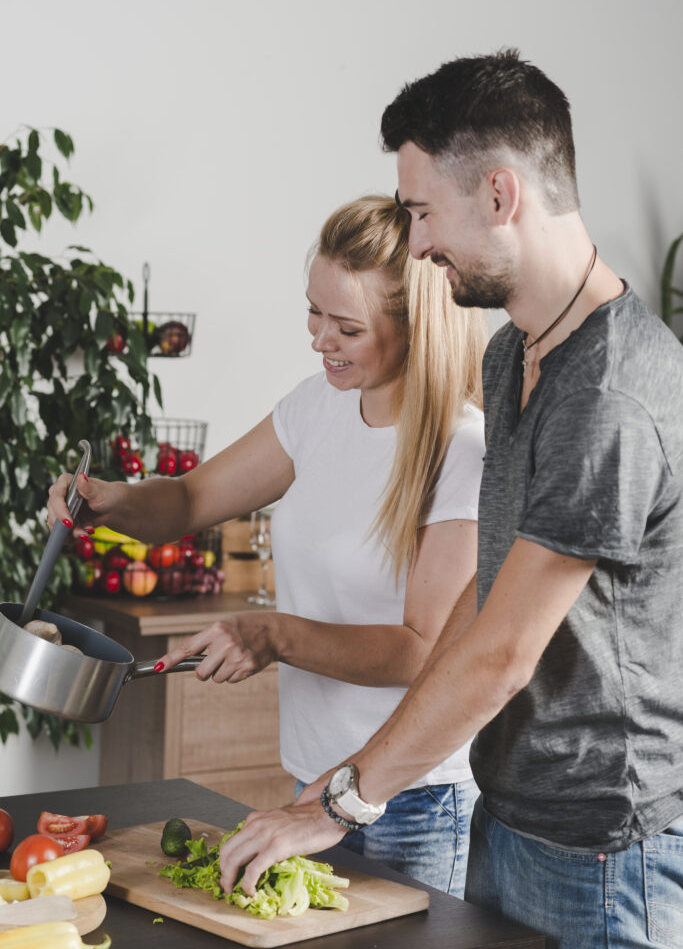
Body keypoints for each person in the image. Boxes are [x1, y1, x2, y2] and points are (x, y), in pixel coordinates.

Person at [215, 51, 683, 949]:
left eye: (423, 211)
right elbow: (483, 604)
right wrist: (354, 773)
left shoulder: (609, 392)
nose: (417, 241)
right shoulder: (512, 355)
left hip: (604, 849)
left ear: (500, 194)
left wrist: (348, 801)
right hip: (507, 815)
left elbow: (502, 650)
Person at [48, 194, 489, 897]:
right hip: (312, 779)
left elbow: (421, 650)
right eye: (313, 312)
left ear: (415, 329)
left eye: (345, 326)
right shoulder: (319, 406)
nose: (319, 339)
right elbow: (192, 499)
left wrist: (274, 635)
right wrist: (111, 500)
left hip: (413, 799)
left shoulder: (461, 450)